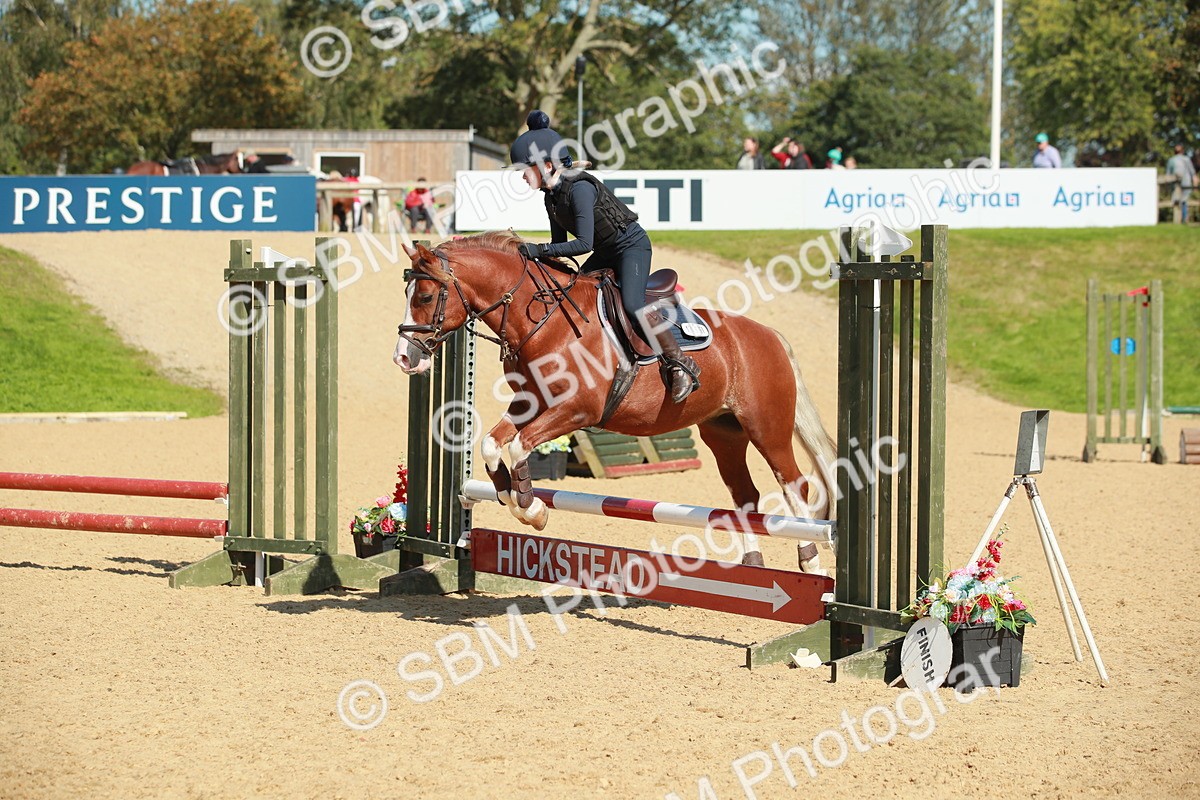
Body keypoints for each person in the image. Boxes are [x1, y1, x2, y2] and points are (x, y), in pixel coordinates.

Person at [509, 109, 699, 403]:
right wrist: (532, 258)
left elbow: (583, 243)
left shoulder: (580, 189)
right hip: (606, 250)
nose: (522, 176)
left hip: (631, 246)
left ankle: (680, 364)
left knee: (634, 304)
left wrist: (540, 250)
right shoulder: (552, 198)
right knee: (574, 294)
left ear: (546, 165)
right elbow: (557, 245)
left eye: (525, 169)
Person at [1166, 144, 1196, 223]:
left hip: (1179, 184)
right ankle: (1183, 219)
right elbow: (1192, 172)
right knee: (1183, 201)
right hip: (1186, 184)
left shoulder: (1172, 160)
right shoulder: (1186, 159)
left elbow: (1168, 174)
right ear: (1182, 151)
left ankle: (1181, 219)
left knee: (1178, 200)